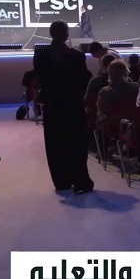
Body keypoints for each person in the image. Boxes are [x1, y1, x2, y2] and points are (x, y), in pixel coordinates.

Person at [34, 21, 94, 193]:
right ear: (66, 34)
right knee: (77, 142)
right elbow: (84, 80)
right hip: (72, 103)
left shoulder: (40, 54)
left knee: (55, 143)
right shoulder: (77, 55)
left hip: (53, 103)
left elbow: (40, 78)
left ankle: (61, 181)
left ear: (51, 33)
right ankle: (80, 180)